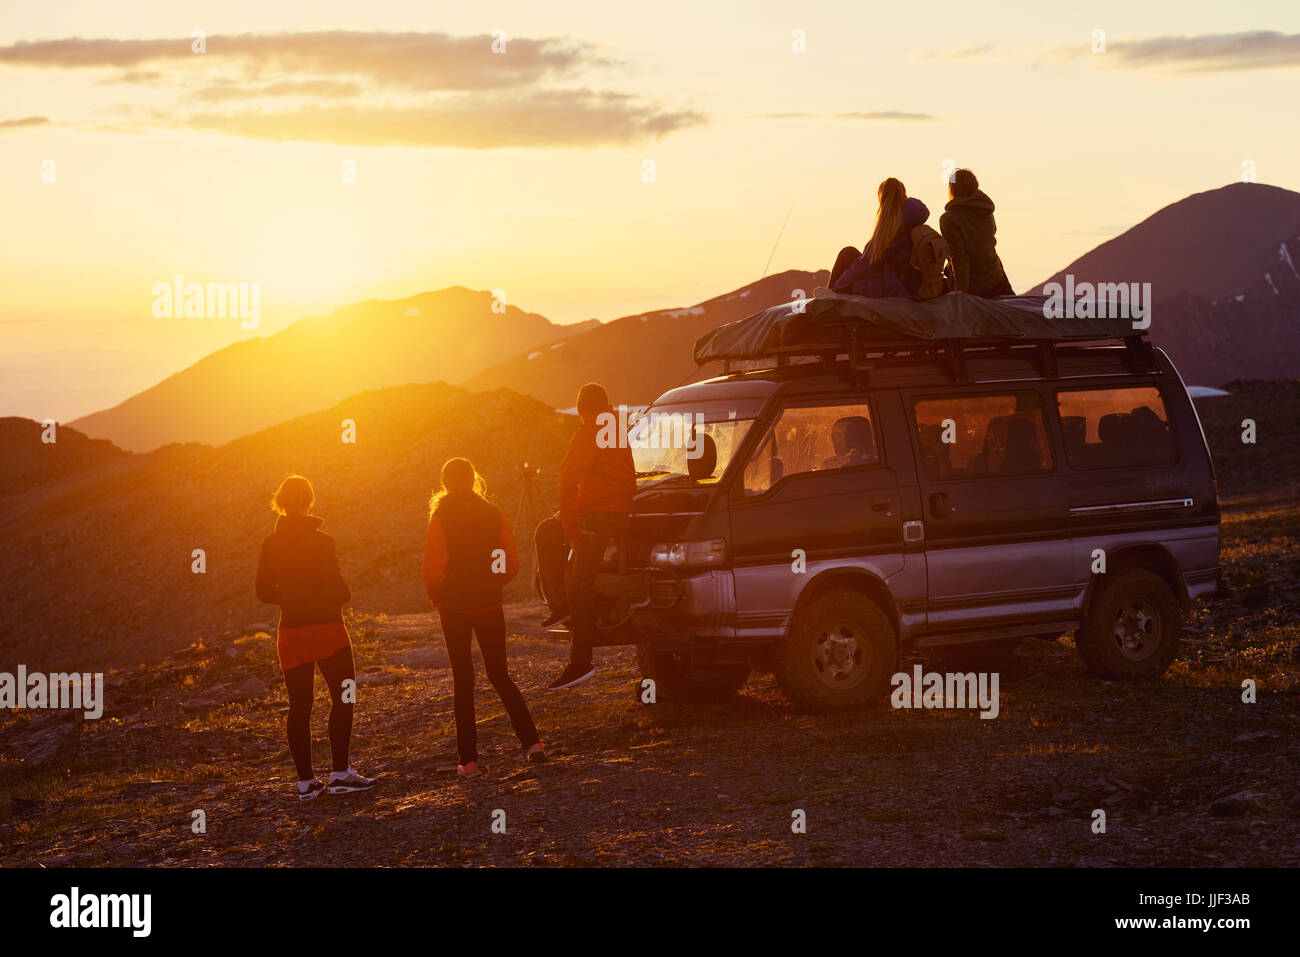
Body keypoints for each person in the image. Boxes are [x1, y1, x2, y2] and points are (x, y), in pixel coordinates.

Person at [255, 474, 376, 801]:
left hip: (291, 630)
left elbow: (263, 591)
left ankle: (306, 783)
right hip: (327, 629)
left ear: (279, 501)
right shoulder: (323, 541)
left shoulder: (270, 543)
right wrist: (337, 593)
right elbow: (338, 589)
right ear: (310, 501)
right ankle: (339, 773)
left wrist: (292, 597)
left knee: (299, 706)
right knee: (344, 696)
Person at [423, 457, 544, 777]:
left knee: (463, 681)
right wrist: (492, 585)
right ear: (473, 479)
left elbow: (434, 567)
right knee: (500, 674)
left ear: (446, 483)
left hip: (455, 609)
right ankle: (533, 744)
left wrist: (439, 597)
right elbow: (509, 561)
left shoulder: (441, 516)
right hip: (490, 605)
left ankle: (469, 762)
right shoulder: (493, 512)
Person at [535, 382, 636, 691]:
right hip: (618, 513)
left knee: (577, 581)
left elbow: (566, 481)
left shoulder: (589, 430)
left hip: (598, 517)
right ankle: (561, 604)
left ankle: (580, 663)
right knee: (549, 534)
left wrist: (572, 529)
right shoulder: (615, 427)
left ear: (580, 410)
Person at [830, 178, 931, 299]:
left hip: (891, 287)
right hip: (907, 282)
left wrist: (837, 287)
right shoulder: (912, 220)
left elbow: (864, 264)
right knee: (850, 253)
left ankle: (827, 297)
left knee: (847, 253)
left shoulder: (890, 226)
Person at [938, 168, 1014, 297]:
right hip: (996, 278)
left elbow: (959, 258)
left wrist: (960, 293)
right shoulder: (986, 210)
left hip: (976, 286)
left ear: (953, 189)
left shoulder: (949, 219)